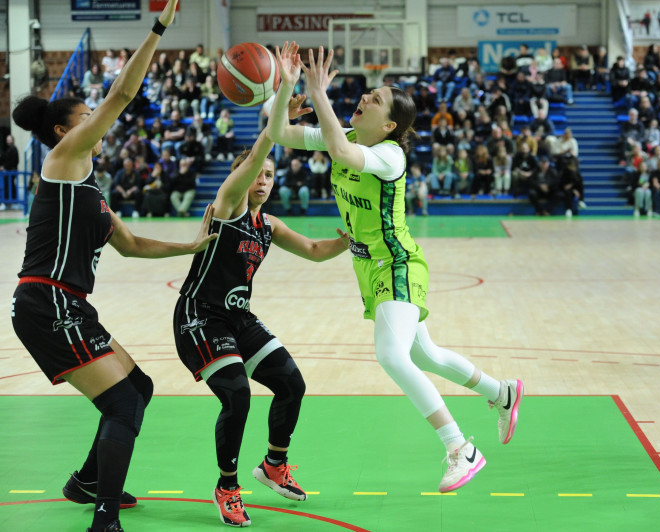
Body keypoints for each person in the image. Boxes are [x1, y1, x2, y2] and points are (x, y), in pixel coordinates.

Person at [267, 44, 524, 493]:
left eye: (377, 99)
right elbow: (279, 135)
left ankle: (460, 448)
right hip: (370, 269)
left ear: (389, 125)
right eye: (369, 93)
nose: (365, 97)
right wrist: (288, 88)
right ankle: (502, 392)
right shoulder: (346, 134)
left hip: (398, 264)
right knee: (427, 356)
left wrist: (318, 92)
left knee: (391, 355)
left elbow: (342, 153)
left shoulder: (391, 156)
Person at [9, 4, 218, 532]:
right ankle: (103, 519)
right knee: (123, 405)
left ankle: (86, 482)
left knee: (138, 388)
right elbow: (122, 94)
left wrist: (191, 247)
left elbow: (131, 244)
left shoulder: (90, 188)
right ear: (64, 130)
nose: (96, 121)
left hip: (68, 304)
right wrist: (159, 28)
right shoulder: (63, 161)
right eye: (86, 116)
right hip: (47, 301)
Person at [173, 84, 348, 527]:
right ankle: (227, 487)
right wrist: (277, 122)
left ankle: (274, 464)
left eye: (270, 175)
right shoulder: (227, 206)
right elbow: (253, 158)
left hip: (237, 317)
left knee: (292, 384)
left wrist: (350, 241)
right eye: (257, 174)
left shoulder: (268, 225)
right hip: (200, 316)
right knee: (237, 395)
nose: (263, 180)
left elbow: (313, 249)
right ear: (240, 178)